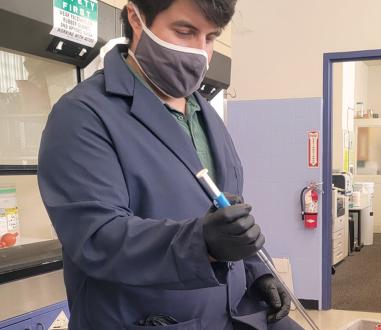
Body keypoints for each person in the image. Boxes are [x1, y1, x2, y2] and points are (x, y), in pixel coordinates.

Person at [37, 0, 303, 329]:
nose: (200, 53)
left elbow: (227, 217)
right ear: (136, 18)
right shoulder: (82, 116)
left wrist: (255, 270)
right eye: (184, 32)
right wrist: (202, 243)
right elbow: (98, 237)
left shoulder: (205, 116)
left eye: (210, 38)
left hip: (230, 314)